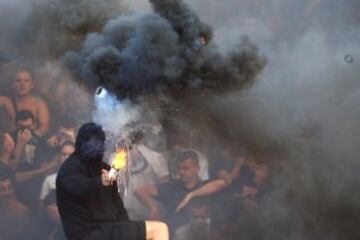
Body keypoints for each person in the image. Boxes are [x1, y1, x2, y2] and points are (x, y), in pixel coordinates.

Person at [56, 122, 169, 240]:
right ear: (82, 144)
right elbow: (79, 186)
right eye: (93, 142)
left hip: (110, 230)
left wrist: (127, 227)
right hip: (88, 234)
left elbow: (118, 207)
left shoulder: (104, 168)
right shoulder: (69, 169)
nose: (98, 146)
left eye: (100, 142)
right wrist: (99, 182)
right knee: (158, 229)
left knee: (159, 229)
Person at [136, 150, 225, 232]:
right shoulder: (171, 188)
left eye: (186, 169)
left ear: (197, 169)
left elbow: (221, 183)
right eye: (180, 169)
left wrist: (191, 195)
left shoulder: (205, 187)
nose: (181, 172)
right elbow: (140, 191)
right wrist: (153, 207)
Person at [12, 69, 50, 136]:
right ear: (13, 85)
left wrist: (30, 138)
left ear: (32, 85)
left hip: (32, 142)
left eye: (26, 81)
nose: (22, 83)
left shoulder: (39, 103)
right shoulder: (7, 102)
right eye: (18, 80)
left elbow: (45, 127)